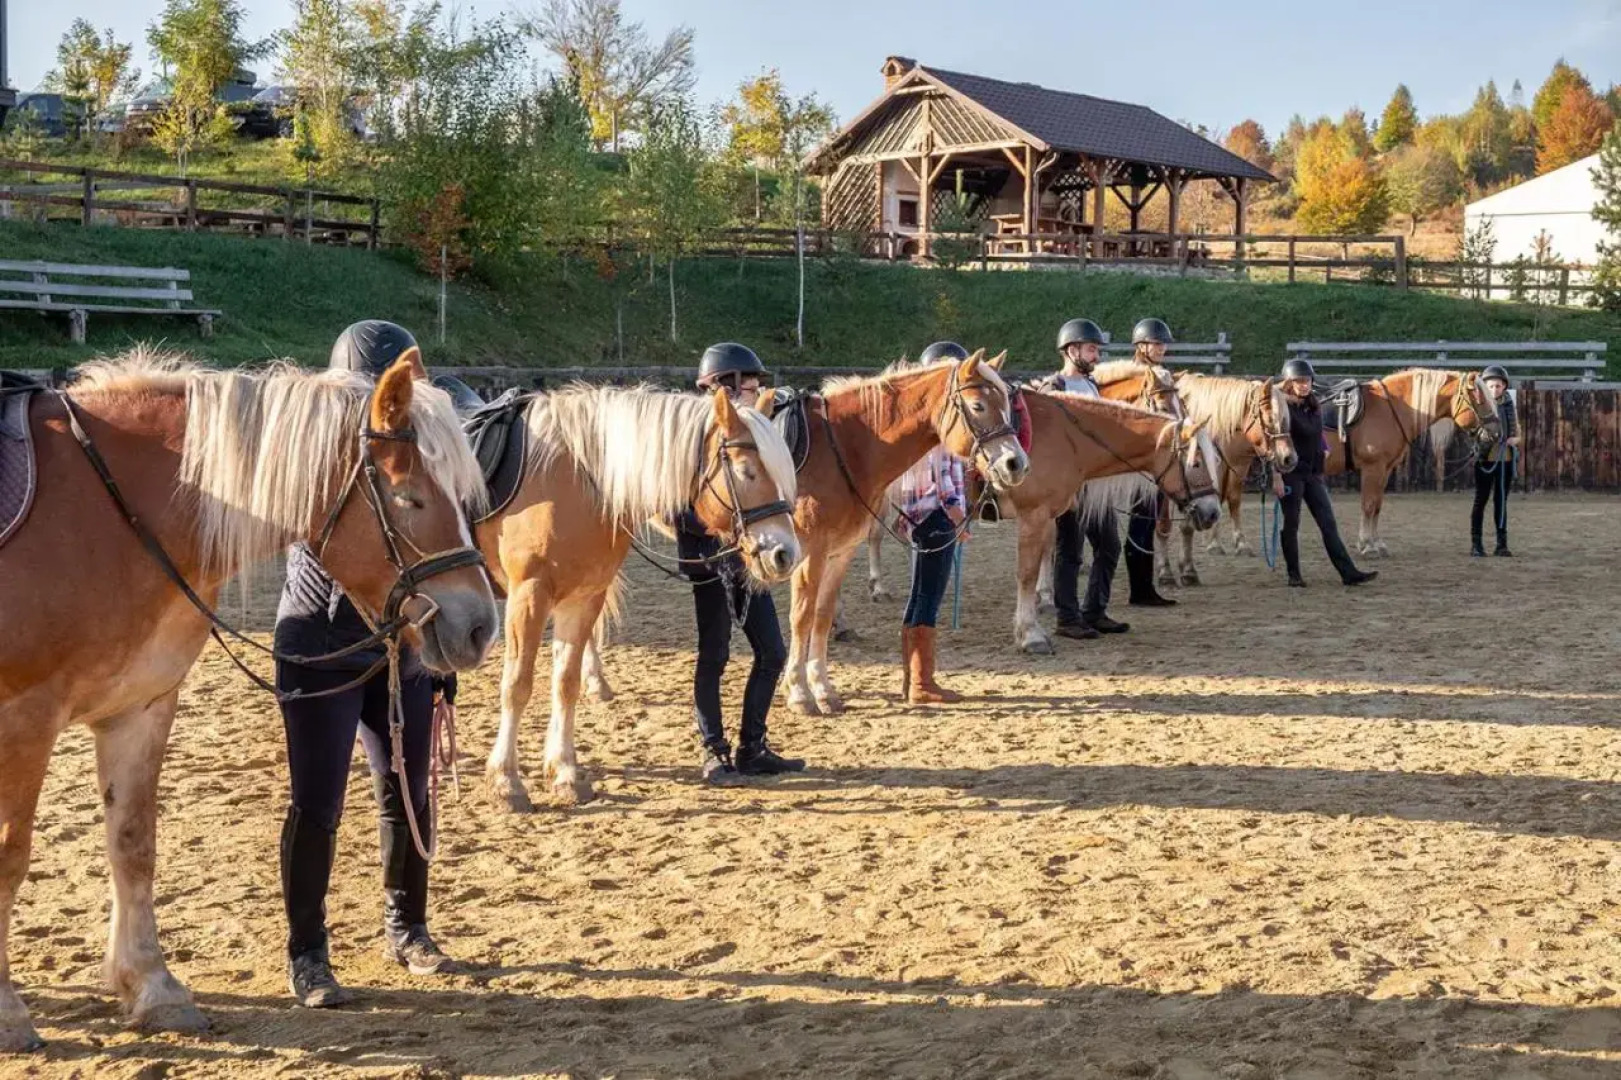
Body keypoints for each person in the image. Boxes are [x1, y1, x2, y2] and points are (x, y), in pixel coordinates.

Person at [276, 319, 456, 1009]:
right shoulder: (313, 461)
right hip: (320, 647)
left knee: (410, 791)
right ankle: (307, 954)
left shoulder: (410, 454)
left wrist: (440, 663)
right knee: (317, 804)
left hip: (400, 645)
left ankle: (407, 928)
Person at [682, 343, 804, 784]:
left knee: (772, 652)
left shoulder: (756, 431)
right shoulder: (693, 436)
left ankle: (753, 747)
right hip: (709, 556)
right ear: (727, 387)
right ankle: (713, 751)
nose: (757, 392)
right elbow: (683, 506)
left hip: (748, 558)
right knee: (713, 654)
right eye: (750, 385)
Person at [1032, 318, 1128, 640]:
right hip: (1069, 485)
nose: (1096, 356)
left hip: (1094, 482)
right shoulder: (1053, 388)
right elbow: (1048, 442)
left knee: (1110, 546)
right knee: (1070, 551)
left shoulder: (1092, 387)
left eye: (1097, 350)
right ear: (1072, 350)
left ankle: (1095, 611)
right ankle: (1067, 618)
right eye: (1091, 349)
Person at [897, 341, 971, 703]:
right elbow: (943, 480)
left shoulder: (913, 428)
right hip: (938, 517)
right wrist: (959, 516)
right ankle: (922, 684)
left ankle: (911, 679)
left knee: (917, 596)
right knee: (929, 597)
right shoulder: (940, 433)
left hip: (915, 516)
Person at [1272, 358, 1378, 588]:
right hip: (1291, 473)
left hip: (1313, 473)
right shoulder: (1282, 409)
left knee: (1328, 523)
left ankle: (1348, 573)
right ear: (1289, 383)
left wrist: (1325, 447)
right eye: (1299, 381)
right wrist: (1276, 476)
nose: (1304, 385)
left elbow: (1318, 432)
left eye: (1307, 380)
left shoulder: (1312, 404)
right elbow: (1275, 444)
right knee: (1291, 525)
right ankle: (1294, 575)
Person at [1123, 318, 1178, 607]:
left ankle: (1144, 587)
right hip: (1137, 459)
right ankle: (1139, 588)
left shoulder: (1162, 375)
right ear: (1141, 346)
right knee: (1140, 523)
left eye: (1163, 343)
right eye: (1156, 343)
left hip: (1157, 459)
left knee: (1148, 522)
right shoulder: (1133, 377)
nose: (1161, 348)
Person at [1470, 364, 1518, 557]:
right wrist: (1483, 437)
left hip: (1504, 458)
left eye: (1498, 386)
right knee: (1481, 500)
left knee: (1501, 501)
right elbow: (1472, 430)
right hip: (1485, 458)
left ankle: (1501, 543)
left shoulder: (1508, 405)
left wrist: (1514, 438)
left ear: (1504, 387)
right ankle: (1476, 544)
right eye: (1491, 386)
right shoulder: (1479, 406)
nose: (1495, 389)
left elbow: (1515, 429)